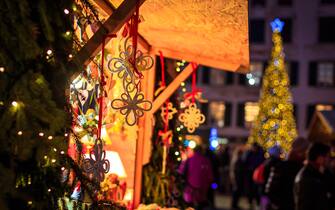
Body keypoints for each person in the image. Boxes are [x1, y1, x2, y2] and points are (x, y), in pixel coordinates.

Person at [265, 138, 309, 210]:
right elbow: (271, 191)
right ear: (300, 152)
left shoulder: (303, 169)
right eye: (305, 151)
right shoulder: (281, 167)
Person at [294, 142, 331, 210]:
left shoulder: (318, 173)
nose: (329, 159)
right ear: (319, 158)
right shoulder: (307, 178)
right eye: (327, 156)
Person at [179, 145, 214, 210]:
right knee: (200, 205)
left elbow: (181, 171)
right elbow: (210, 176)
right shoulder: (206, 160)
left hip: (190, 188)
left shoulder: (189, 160)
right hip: (202, 189)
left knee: (189, 205)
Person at [244, 143, 265, 209]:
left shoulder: (260, 154)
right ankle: (250, 202)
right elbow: (245, 162)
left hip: (257, 174)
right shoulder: (249, 153)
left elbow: (261, 163)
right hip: (250, 174)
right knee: (250, 189)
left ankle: (258, 204)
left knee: (257, 190)